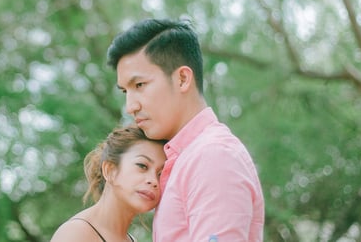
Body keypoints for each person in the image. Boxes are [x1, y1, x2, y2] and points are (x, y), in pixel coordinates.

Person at [107, 18, 265, 241]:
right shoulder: (181, 159)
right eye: (125, 91)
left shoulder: (213, 156)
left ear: (182, 79)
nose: (130, 106)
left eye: (139, 85)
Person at [51, 126, 167, 242]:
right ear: (110, 170)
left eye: (161, 174)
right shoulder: (75, 234)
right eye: (142, 166)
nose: (154, 181)